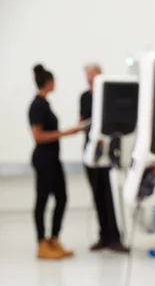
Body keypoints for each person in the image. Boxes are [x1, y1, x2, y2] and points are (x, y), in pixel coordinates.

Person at [29, 64, 80, 259]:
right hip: (44, 159)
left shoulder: (46, 104)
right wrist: (66, 133)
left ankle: (54, 239)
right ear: (48, 83)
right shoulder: (36, 106)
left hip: (53, 158)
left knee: (62, 198)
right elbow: (38, 136)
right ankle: (41, 243)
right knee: (42, 200)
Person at [80, 63, 129, 253]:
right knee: (98, 195)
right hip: (91, 152)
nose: (91, 84)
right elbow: (81, 120)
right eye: (89, 81)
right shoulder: (85, 97)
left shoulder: (111, 96)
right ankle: (103, 235)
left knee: (111, 197)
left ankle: (115, 237)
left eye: (93, 80)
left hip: (109, 153)